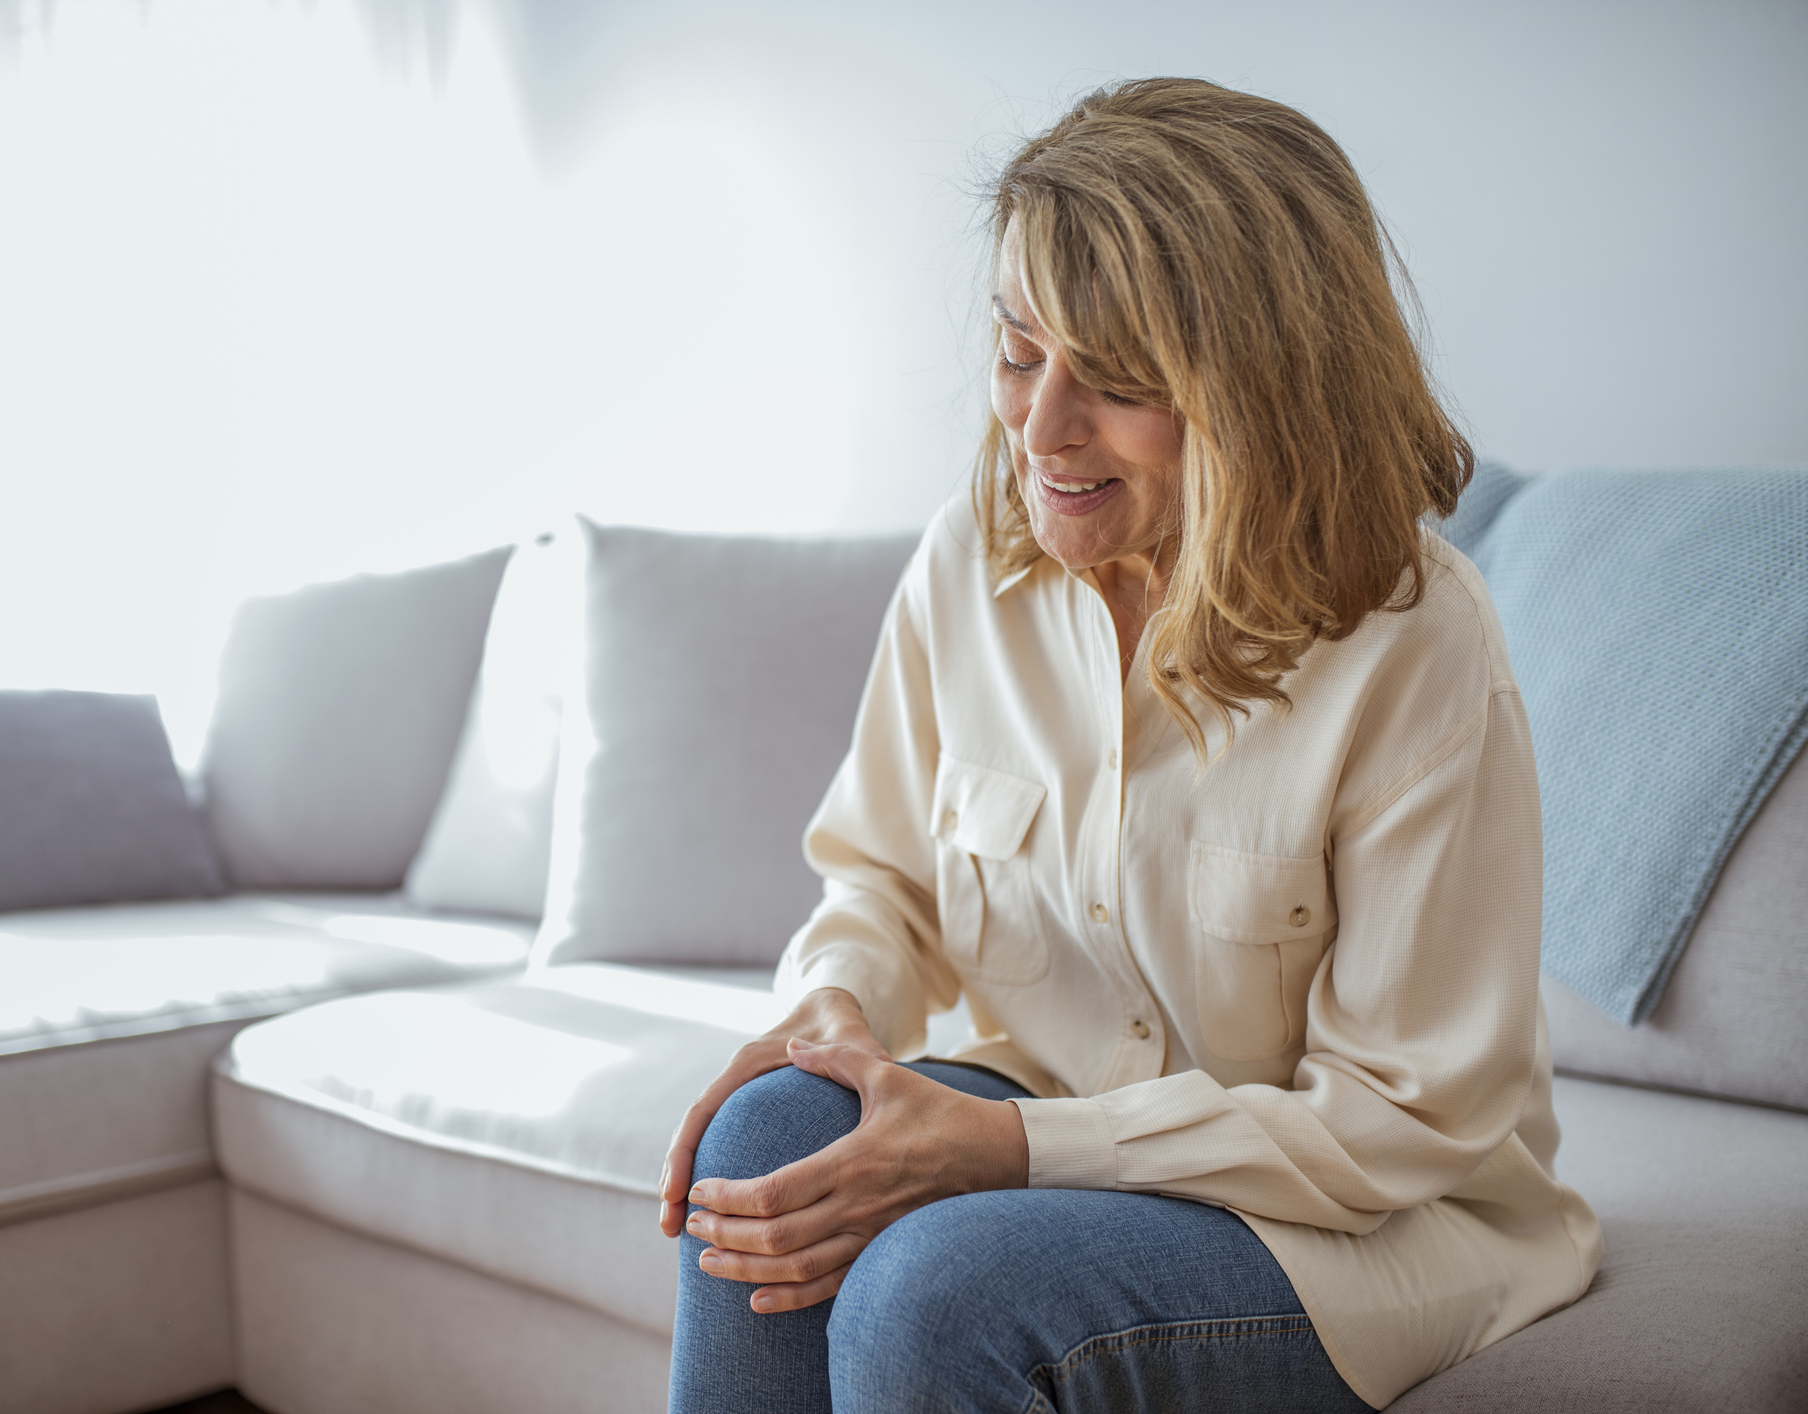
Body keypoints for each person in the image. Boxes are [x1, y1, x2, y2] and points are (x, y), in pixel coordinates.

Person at [657, 77, 1601, 1413]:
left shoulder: (1413, 637)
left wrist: (1011, 1146)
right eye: (1019, 348)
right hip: (1055, 1110)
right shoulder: (968, 566)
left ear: (1258, 389)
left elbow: (1396, 1116)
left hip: (1362, 1222)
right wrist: (835, 1003)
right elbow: (881, 883)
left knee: (939, 1290)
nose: (1040, 429)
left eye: (1114, 379)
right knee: (763, 1137)